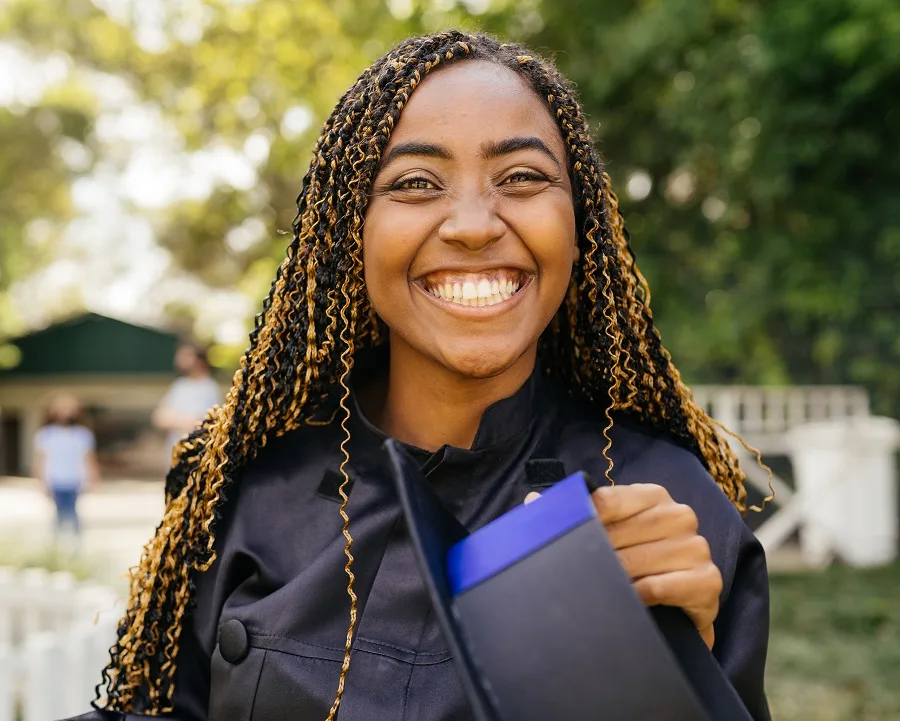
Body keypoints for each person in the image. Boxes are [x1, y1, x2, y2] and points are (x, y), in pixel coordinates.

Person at [70, 31, 772, 721]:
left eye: (522, 177)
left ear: (580, 220)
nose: (472, 224)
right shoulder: (246, 487)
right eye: (414, 183)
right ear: (352, 232)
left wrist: (682, 678)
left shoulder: (671, 508)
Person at [33, 393, 100, 537]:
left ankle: (75, 546)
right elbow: (40, 460)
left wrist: (94, 479)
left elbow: (89, 459)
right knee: (58, 515)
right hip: (55, 479)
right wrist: (40, 481)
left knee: (73, 513)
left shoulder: (83, 434)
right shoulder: (46, 434)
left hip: (75, 480)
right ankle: (57, 548)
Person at [152, 342, 222, 462]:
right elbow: (159, 418)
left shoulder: (210, 389)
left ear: (199, 359)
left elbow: (207, 424)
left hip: (198, 459)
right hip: (174, 457)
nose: (179, 359)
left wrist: (175, 420)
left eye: (186, 355)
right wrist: (184, 421)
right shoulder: (179, 386)